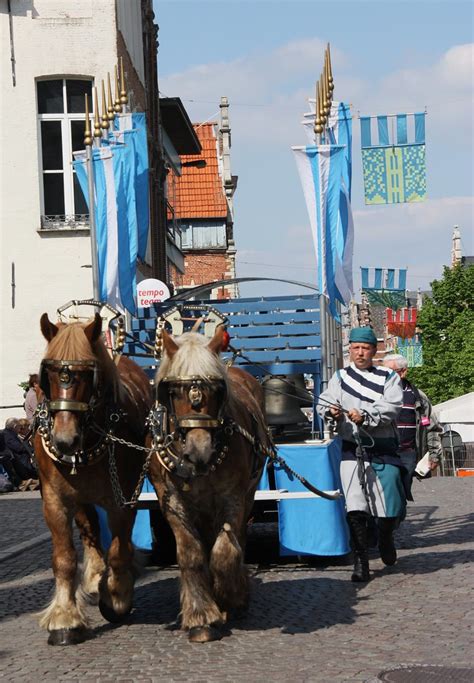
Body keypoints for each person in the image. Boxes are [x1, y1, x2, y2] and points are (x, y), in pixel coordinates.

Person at [317, 327, 405, 583]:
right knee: (355, 505)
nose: (360, 352)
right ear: (350, 350)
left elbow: (393, 405)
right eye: (355, 347)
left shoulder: (388, 376)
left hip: (381, 447)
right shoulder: (340, 376)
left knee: (388, 506)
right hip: (350, 447)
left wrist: (367, 416)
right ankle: (361, 561)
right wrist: (331, 411)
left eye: (365, 348)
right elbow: (326, 399)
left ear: (373, 351)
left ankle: (386, 535)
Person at [382, 353, 442, 492]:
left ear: (403, 372)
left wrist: (434, 454)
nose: (385, 376)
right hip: (384, 453)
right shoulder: (377, 396)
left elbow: (431, 428)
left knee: (402, 491)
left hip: (407, 454)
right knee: (388, 490)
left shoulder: (418, 398)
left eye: (390, 372)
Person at [0, 418, 38, 485]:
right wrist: (32, 449)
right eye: (19, 427)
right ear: (15, 426)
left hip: (18, 459)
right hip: (17, 459)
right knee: (24, 456)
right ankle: (29, 478)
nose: (20, 429)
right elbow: (18, 448)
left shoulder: (10, 434)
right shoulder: (7, 435)